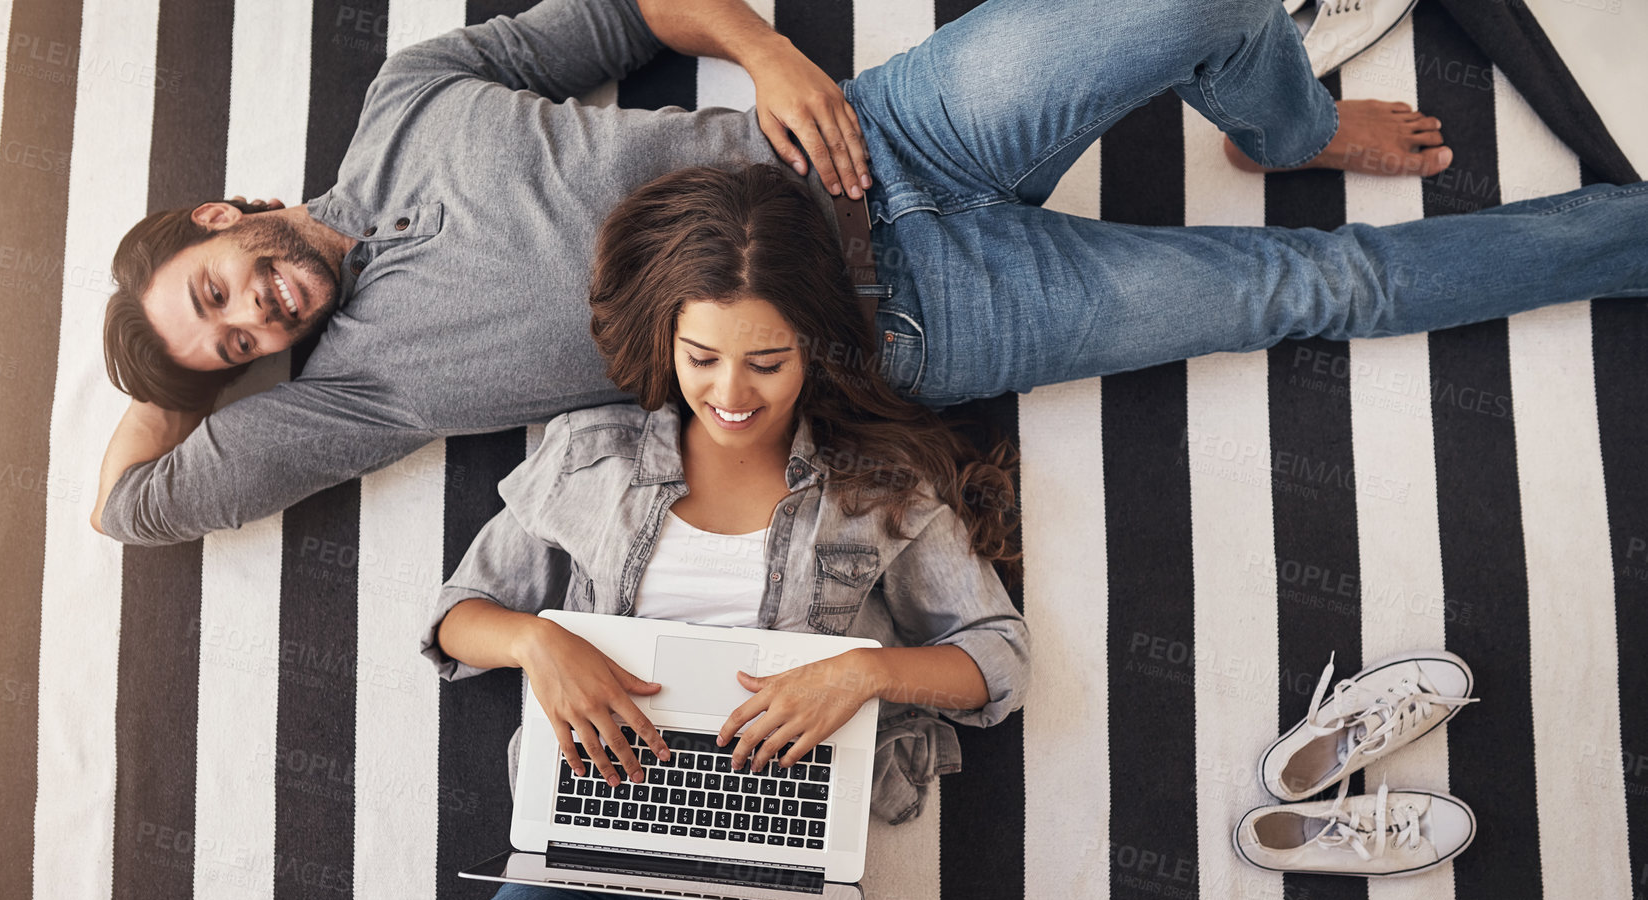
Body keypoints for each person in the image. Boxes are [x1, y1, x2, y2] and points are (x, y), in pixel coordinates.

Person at [88, 0, 1637, 548]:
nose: (251, 316)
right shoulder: (349, 392)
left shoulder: (411, 97)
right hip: (903, 321)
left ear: (232, 211)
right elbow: (134, 509)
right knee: (1317, 293)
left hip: (872, 138)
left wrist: (760, 50)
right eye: (226, 343)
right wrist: (155, 380)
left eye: (218, 286)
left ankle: (1288, 121)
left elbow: (646, 7)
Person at [318, 162, 1029, 900]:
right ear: (666, 336)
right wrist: (536, 639)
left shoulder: (882, 486)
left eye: (767, 362)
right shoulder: (588, 455)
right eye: (702, 358)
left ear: (812, 348)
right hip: (581, 865)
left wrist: (865, 671)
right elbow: (454, 617)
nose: (729, 393)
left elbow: (995, 658)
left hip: (769, 884)